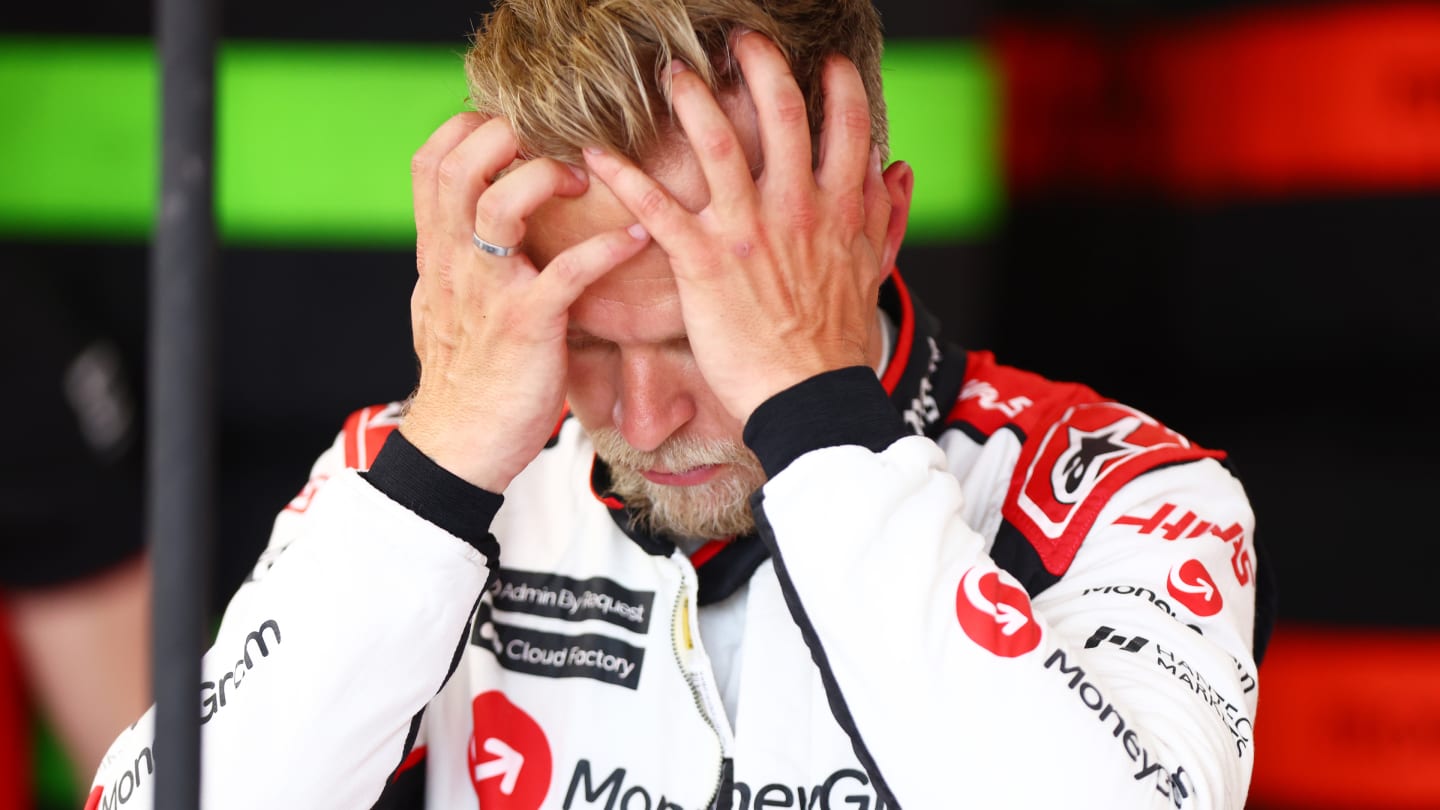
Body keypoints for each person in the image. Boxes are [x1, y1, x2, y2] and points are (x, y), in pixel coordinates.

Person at [91, 0, 1275, 807]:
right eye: (587, 340)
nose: (645, 418)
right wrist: (433, 476)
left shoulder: (1134, 496)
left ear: (875, 231)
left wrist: (817, 426)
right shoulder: (420, 479)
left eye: (708, 335)